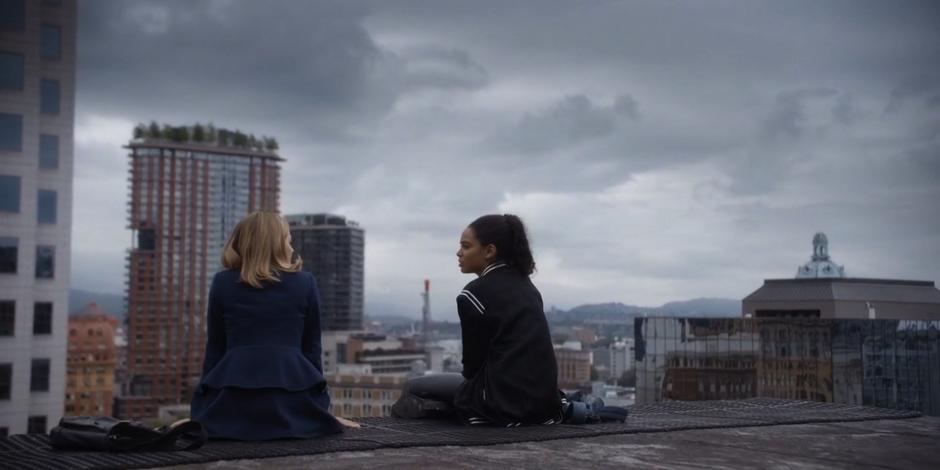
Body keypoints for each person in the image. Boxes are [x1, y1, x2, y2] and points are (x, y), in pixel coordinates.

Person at [190, 212, 357, 440]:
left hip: (232, 403)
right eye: (288, 240)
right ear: (277, 244)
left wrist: (201, 407)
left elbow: (215, 349)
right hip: (293, 402)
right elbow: (311, 350)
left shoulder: (222, 283)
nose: (291, 246)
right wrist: (319, 408)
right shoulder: (305, 283)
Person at [392, 214, 564, 426]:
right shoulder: (528, 287)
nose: (459, 253)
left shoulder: (474, 294)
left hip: (501, 403)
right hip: (544, 404)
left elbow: (471, 369)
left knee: (414, 387)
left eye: (465, 246)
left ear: (489, 251)